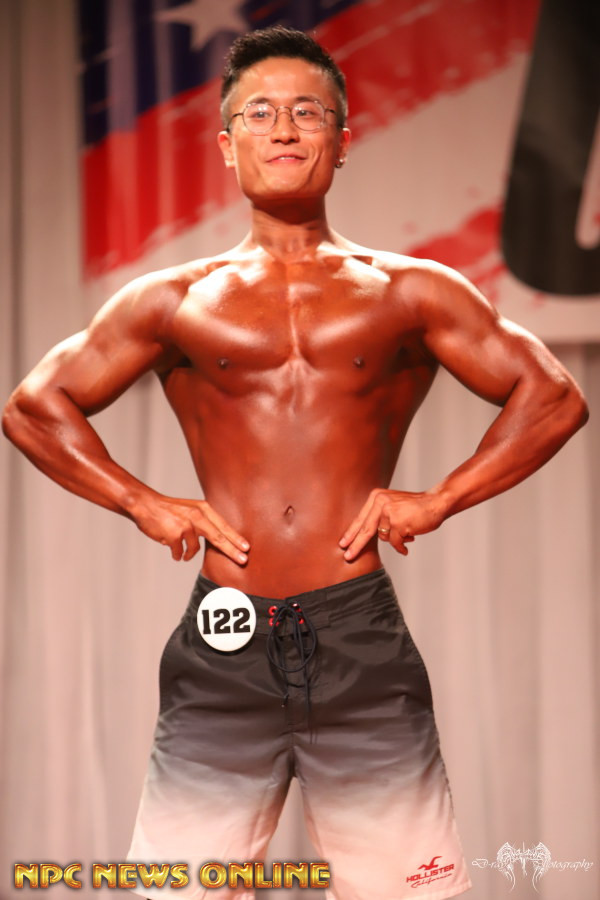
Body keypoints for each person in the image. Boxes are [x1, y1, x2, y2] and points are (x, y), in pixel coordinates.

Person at [2, 24, 588, 900]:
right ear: (226, 144)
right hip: (223, 636)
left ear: (342, 142)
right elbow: (32, 408)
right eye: (260, 113)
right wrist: (142, 502)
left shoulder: (410, 290)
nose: (283, 128)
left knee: (409, 892)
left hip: (357, 635)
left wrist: (441, 498)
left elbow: (553, 397)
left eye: (307, 113)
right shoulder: (173, 299)